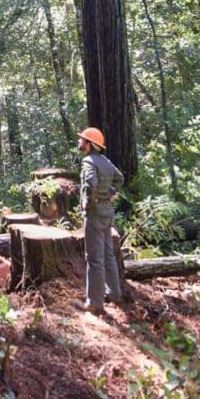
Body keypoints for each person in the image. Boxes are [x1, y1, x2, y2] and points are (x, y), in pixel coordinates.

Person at [78, 126, 125, 315]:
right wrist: (109, 193)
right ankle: (114, 293)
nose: (79, 142)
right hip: (106, 211)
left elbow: (90, 183)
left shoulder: (89, 161)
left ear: (89, 144)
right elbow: (119, 179)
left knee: (94, 258)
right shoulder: (105, 161)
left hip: (95, 213)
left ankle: (95, 302)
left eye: (82, 139)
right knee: (108, 254)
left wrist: (89, 203)